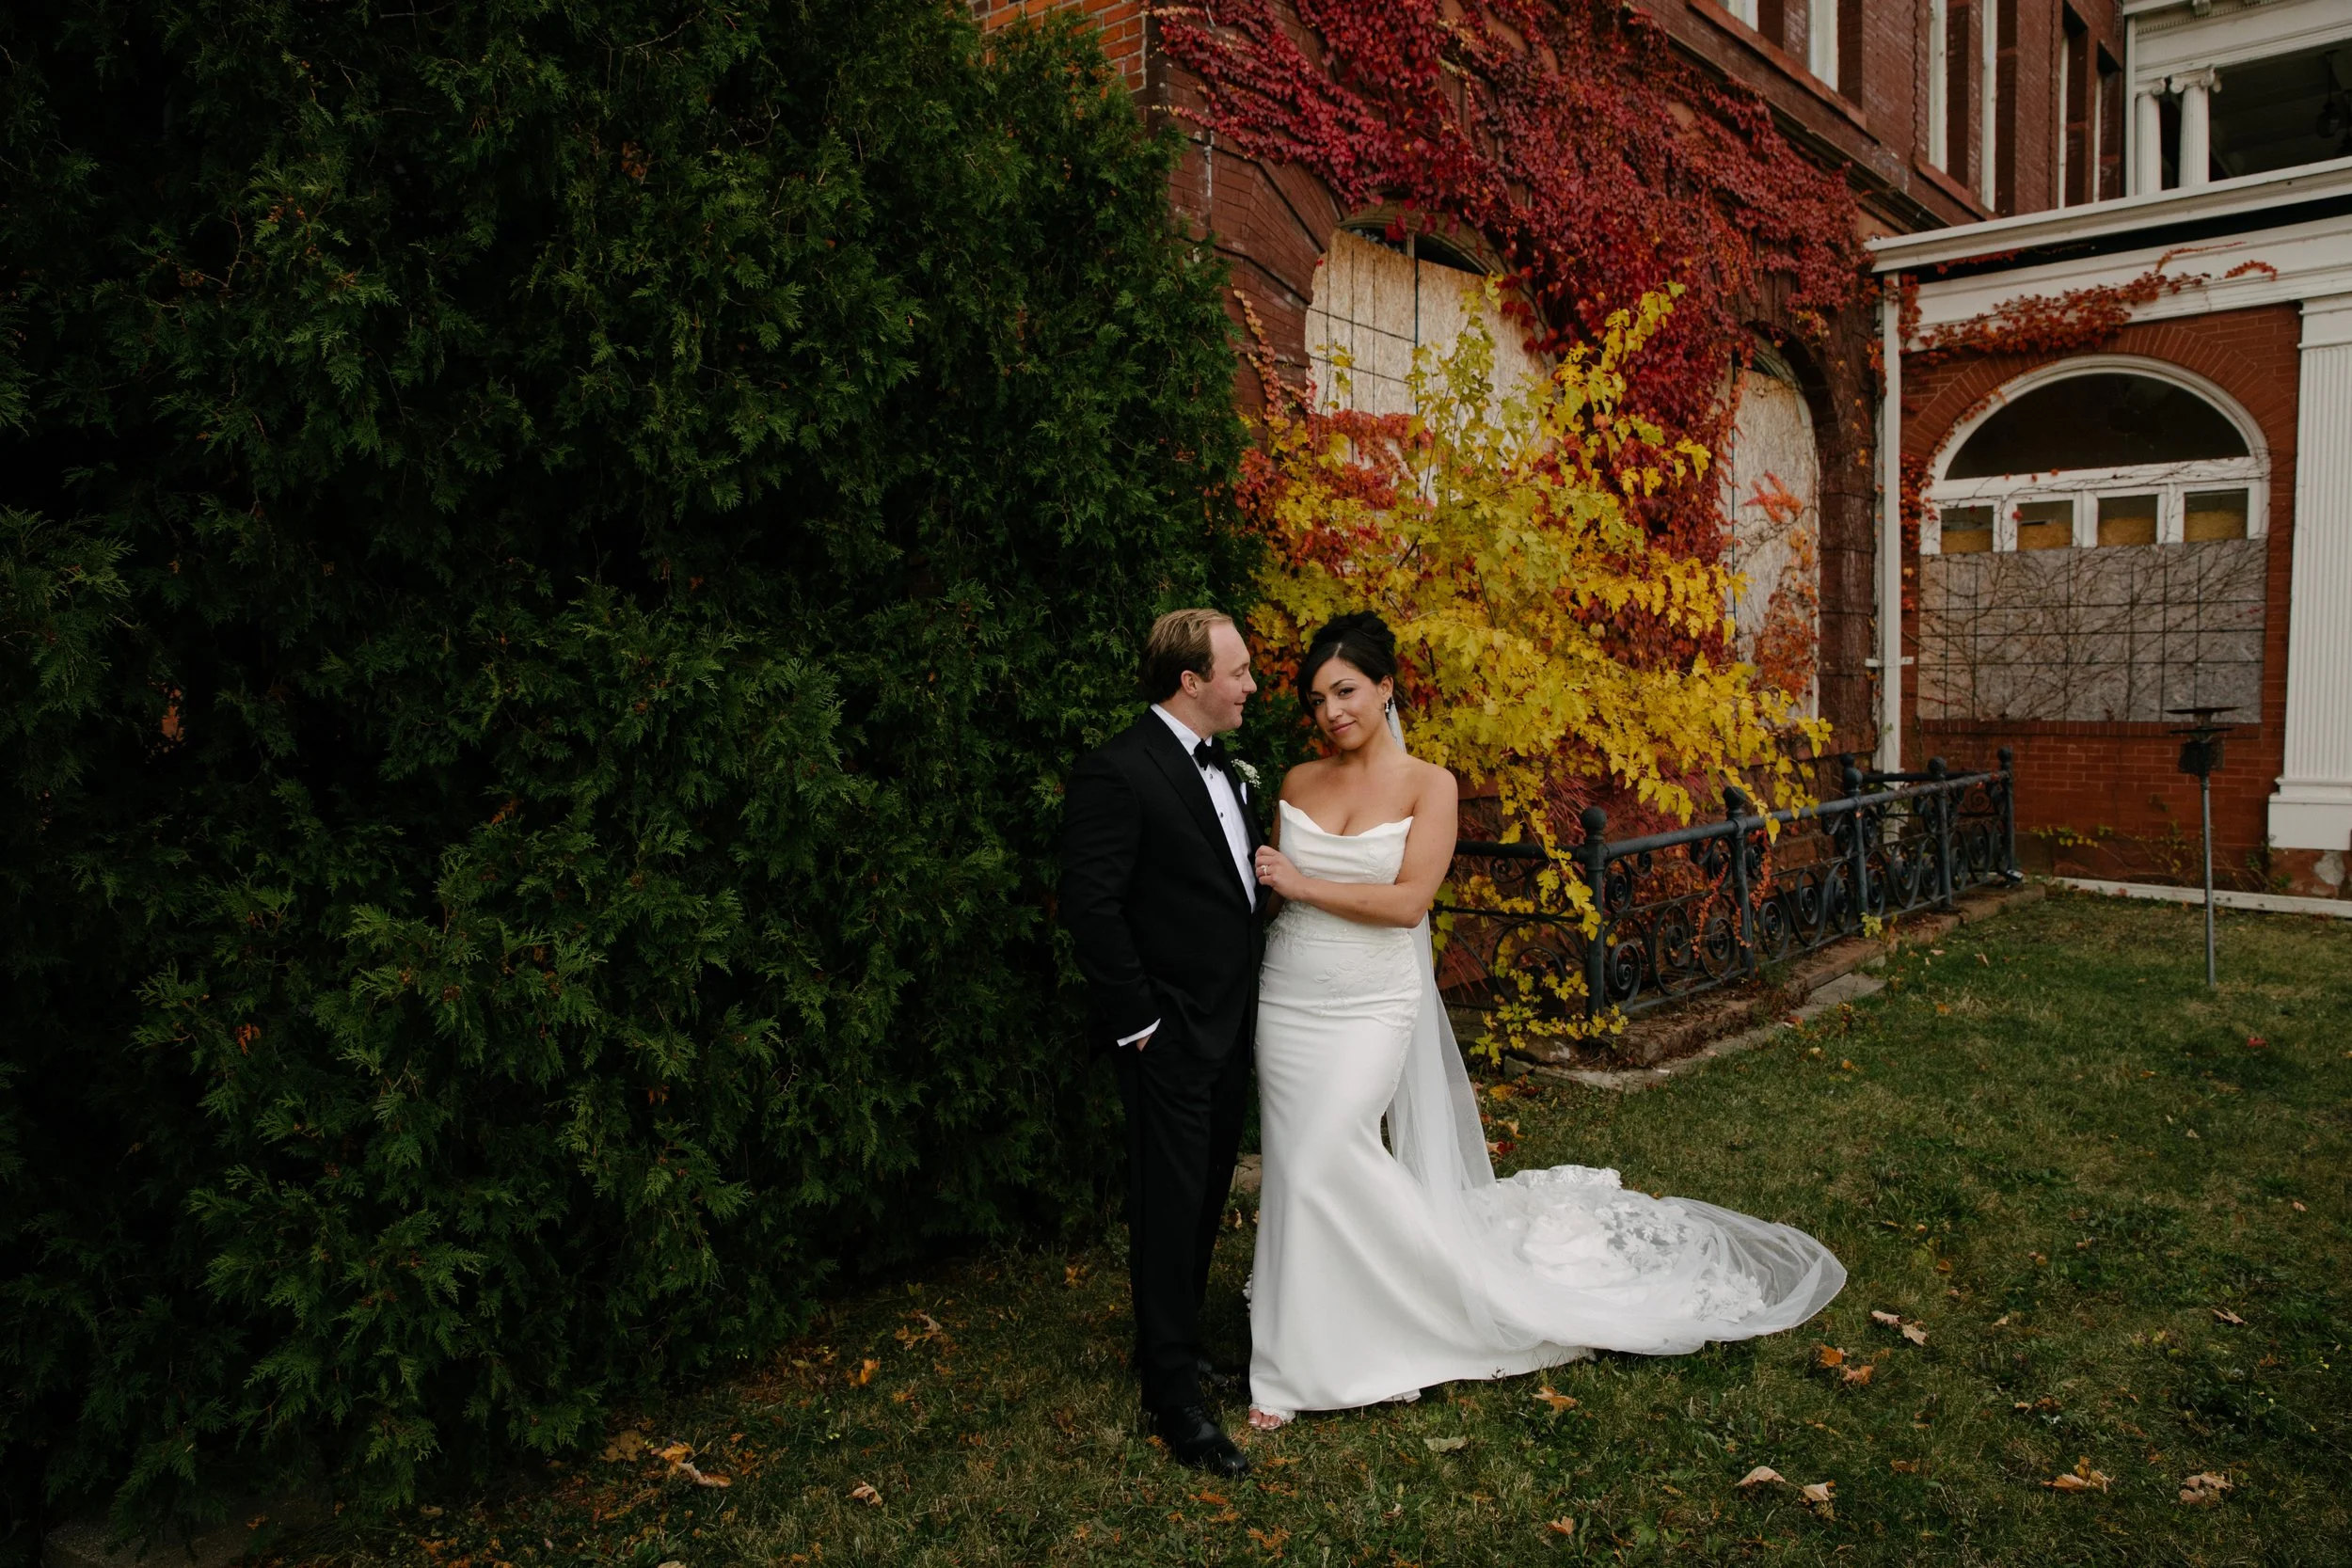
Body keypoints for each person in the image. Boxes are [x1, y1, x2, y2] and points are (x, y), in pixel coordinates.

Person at [1243, 611, 1846, 1429]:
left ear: (1385, 688)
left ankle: (1436, 1305)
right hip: (1291, 995)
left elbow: (1408, 902)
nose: (1331, 711)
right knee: (1295, 1164)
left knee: (1329, 1149)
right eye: (1316, 699)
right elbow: (1272, 889)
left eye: (1345, 690)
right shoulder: (1296, 782)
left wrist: (1306, 884)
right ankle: (1290, 1358)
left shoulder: (1432, 785)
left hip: (1372, 1001)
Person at [1060, 609, 1264, 1477]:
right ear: (1192, 681)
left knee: (1209, 1188)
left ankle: (1174, 1345)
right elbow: (1090, 907)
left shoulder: (1237, 772)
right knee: (1168, 1202)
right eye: (1239, 670)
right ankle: (1171, 1392)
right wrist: (1142, 1024)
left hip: (1234, 1026)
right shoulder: (1118, 771)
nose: (1251, 685)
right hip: (1170, 1033)